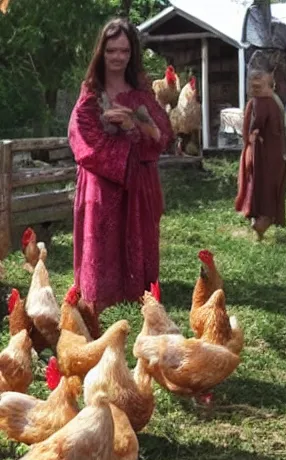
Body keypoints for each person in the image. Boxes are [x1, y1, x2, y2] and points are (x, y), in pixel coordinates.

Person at [68, 18, 172, 314]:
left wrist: (132, 124)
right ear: (101, 52)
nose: (117, 57)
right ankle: (100, 297)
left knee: (137, 238)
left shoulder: (141, 94)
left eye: (124, 51)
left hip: (139, 184)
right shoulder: (90, 93)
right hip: (101, 183)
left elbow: (162, 134)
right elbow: (83, 140)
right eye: (111, 50)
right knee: (103, 242)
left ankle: (137, 291)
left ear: (132, 54)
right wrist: (127, 148)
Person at [235, 68, 286, 240]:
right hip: (264, 155)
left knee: (260, 187)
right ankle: (260, 224)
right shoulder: (264, 102)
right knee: (266, 190)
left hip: (263, 153)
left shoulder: (264, 101)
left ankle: (258, 222)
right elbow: (254, 129)